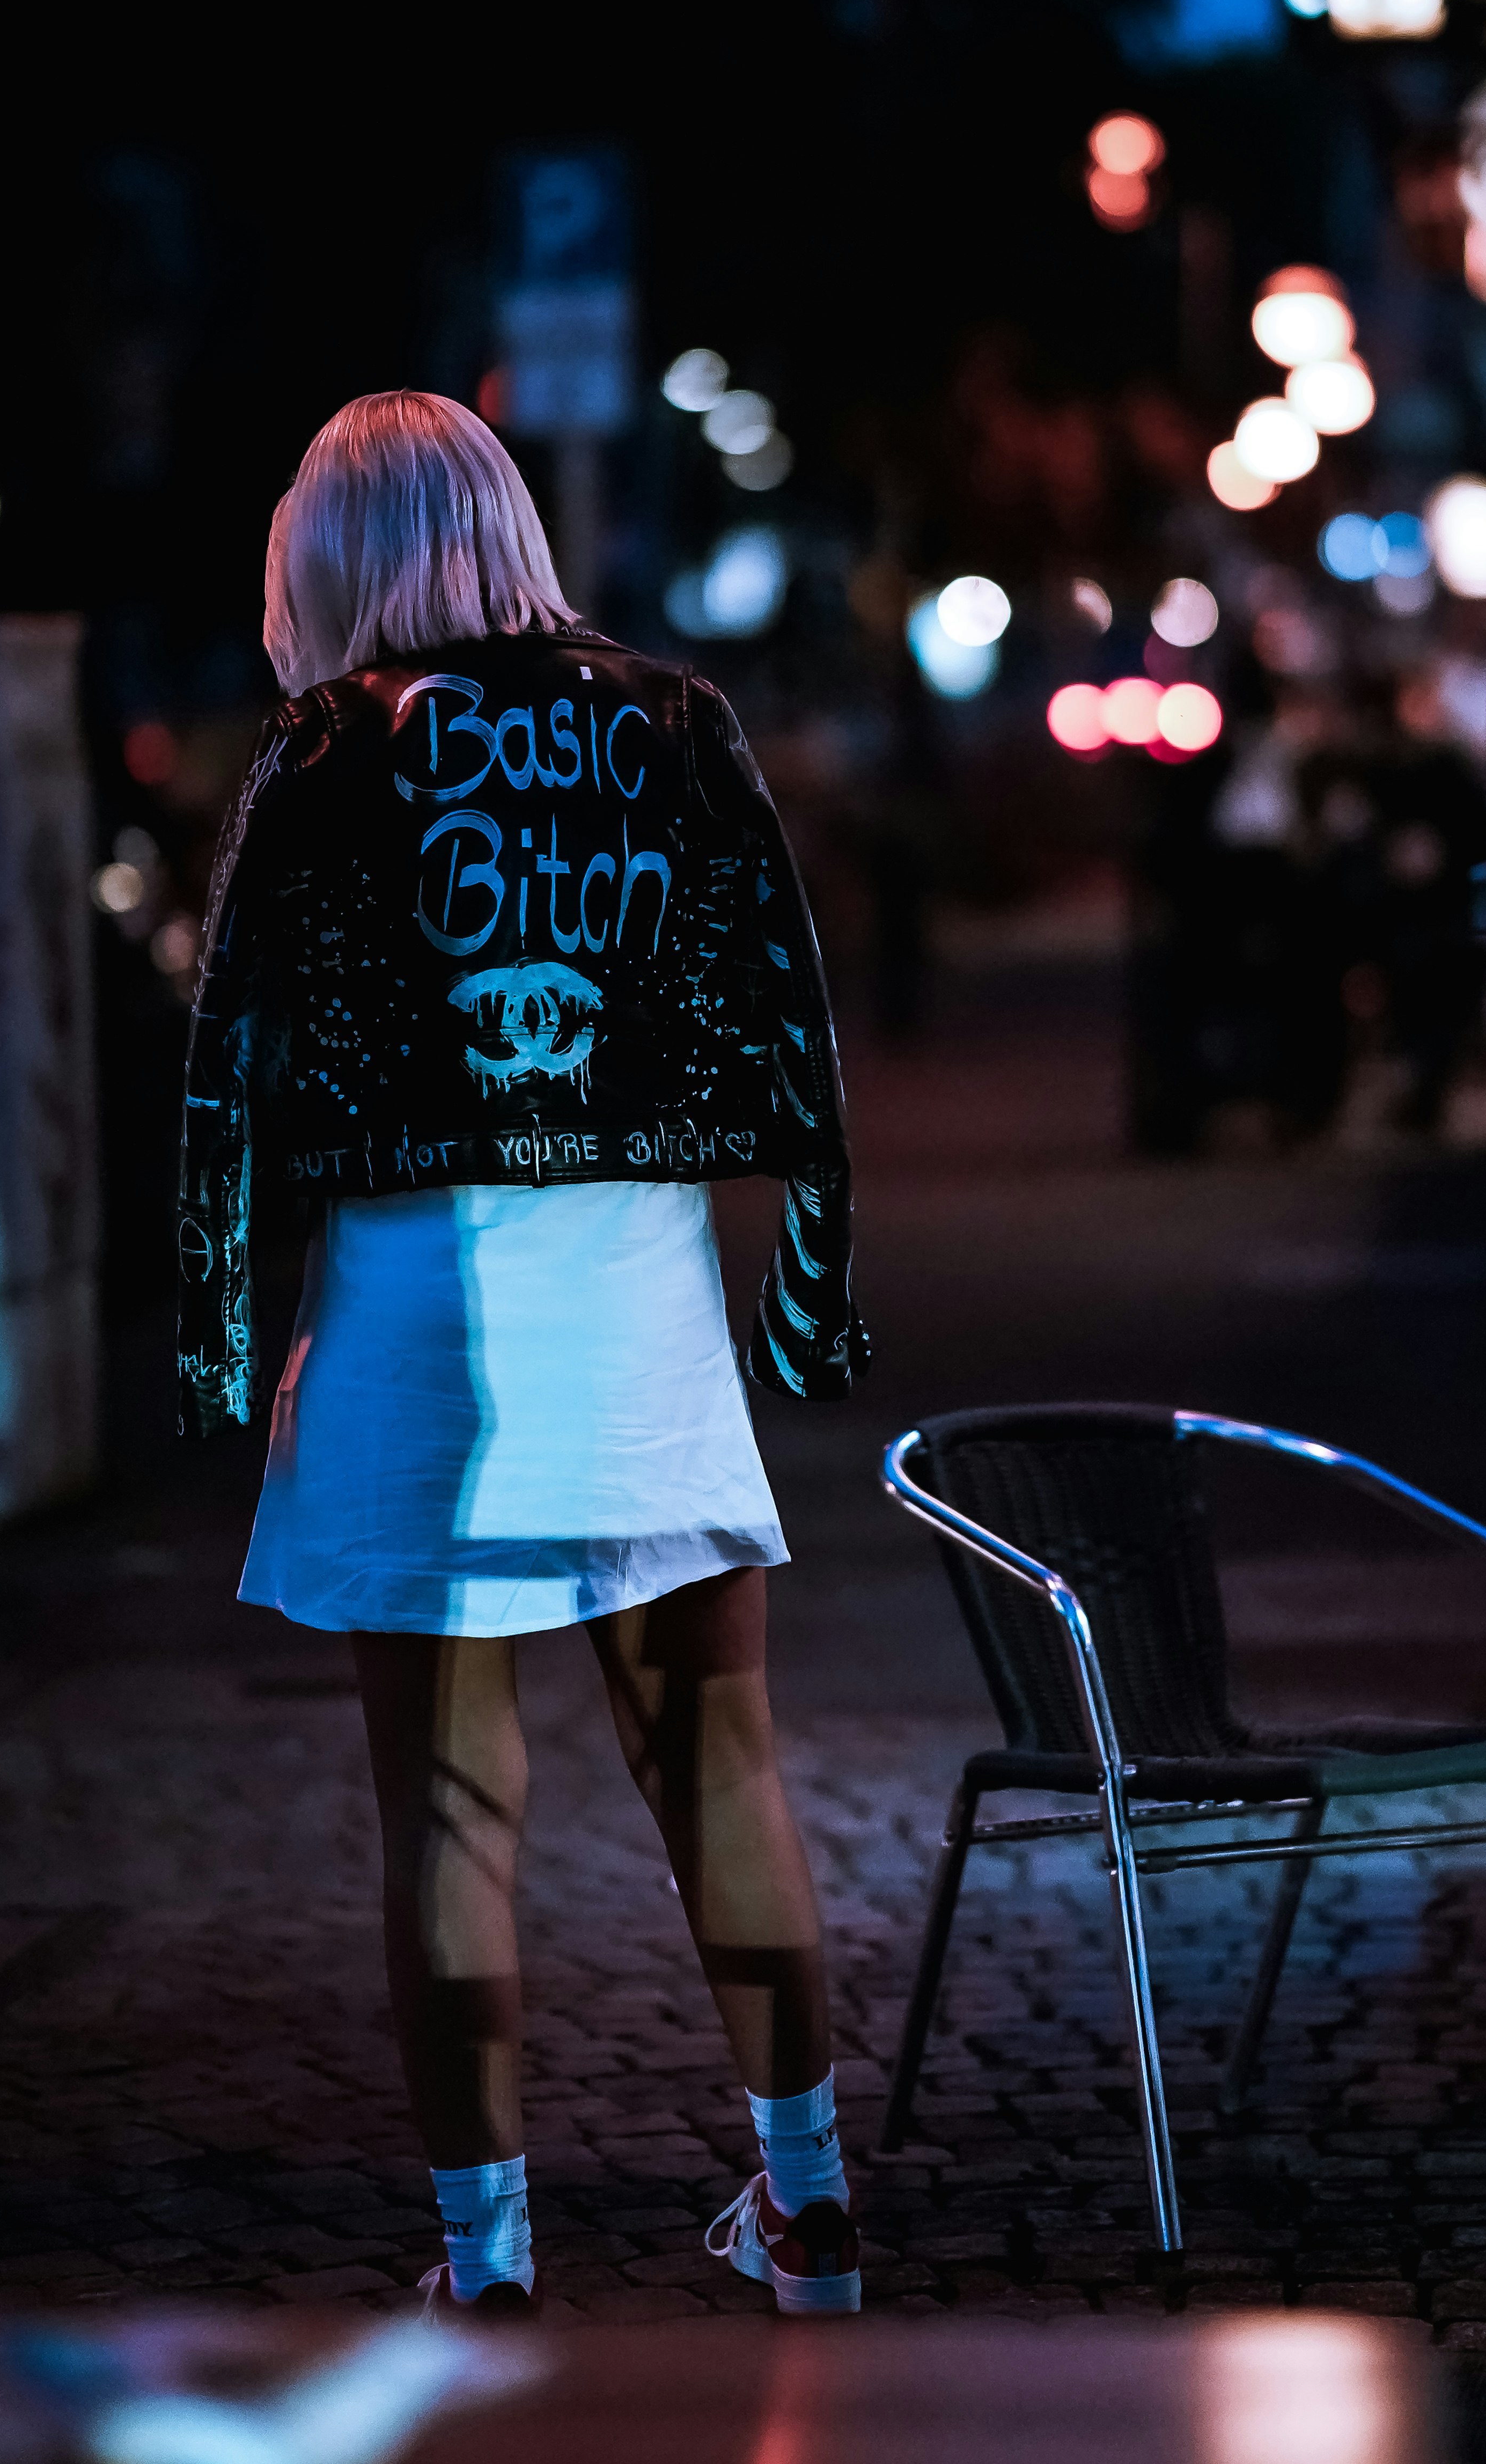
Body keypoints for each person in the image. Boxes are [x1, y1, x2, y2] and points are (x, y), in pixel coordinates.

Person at [178, 392, 870, 2320]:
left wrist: (221, 1348)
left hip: (410, 1303)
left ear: (328, 556)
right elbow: (784, 1020)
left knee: (448, 1807)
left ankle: (485, 2263)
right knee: (723, 1765)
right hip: (637, 1290)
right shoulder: (672, 722)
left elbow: (230, 1066)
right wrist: (810, 1292)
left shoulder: (327, 754)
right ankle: (812, 2208)